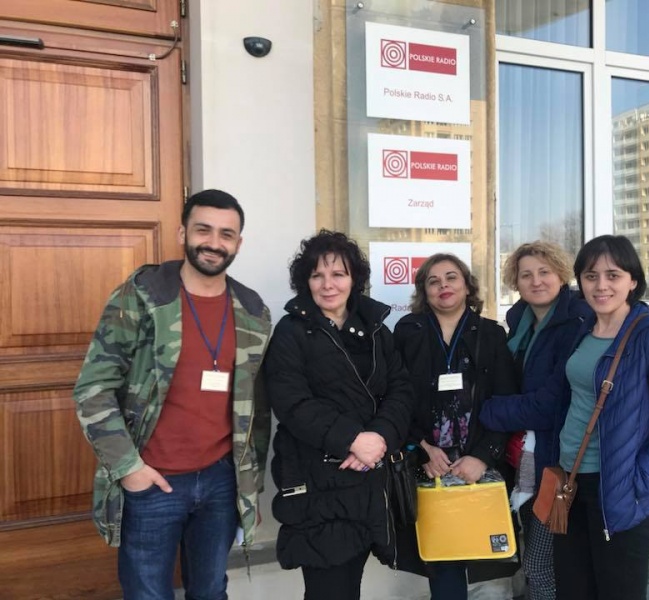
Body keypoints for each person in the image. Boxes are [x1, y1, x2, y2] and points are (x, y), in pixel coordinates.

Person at [73, 189, 272, 599]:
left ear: (238, 243)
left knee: (210, 591)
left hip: (221, 481)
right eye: (203, 230)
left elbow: (258, 408)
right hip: (153, 479)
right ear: (183, 233)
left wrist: (248, 484)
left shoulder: (253, 311)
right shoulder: (143, 295)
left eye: (226, 234)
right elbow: (94, 387)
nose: (213, 243)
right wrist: (128, 468)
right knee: (147, 594)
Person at [265, 230, 414, 600]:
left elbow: (401, 390)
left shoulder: (376, 329)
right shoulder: (292, 331)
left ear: (354, 279)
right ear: (306, 282)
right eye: (317, 275)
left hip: (369, 479)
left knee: (351, 588)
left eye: (338, 274)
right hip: (319, 482)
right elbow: (291, 402)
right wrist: (353, 439)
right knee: (329, 591)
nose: (328, 284)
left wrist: (378, 438)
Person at [553, 234, 649, 599]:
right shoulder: (584, 330)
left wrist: (637, 480)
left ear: (633, 281)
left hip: (620, 492)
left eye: (613, 275)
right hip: (571, 482)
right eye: (590, 276)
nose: (601, 285)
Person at [393, 253, 518, 599]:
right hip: (428, 466)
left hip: (477, 467)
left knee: (481, 553)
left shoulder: (491, 334)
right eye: (433, 281)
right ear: (424, 291)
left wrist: (483, 457)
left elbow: (505, 402)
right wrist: (421, 449)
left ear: (466, 285)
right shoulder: (408, 332)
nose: (443, 286)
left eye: (451, 278)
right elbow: (394, 399)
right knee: (442, 558)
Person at [479, 241, 589, 600]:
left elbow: (551, 405)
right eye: (526, 274)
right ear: (516, 281)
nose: (536, 281)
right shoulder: (520, 323)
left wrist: (487, 410)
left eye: (544, 272)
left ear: (561, 274)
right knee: (538, 559)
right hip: (525, 459)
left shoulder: (576, 322)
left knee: (540, 565)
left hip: (557, 461)